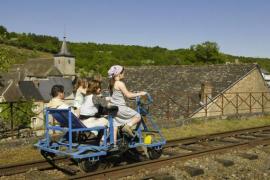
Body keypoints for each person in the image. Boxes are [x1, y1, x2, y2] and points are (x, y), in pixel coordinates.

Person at [108, 65, 146, 143]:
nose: (124, 74)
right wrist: (140, 93)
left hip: (113, 108)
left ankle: (113, 144)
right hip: (120, 108)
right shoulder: (120, 83)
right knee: (138, 116)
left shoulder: (112, 83)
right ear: (119, 74)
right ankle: (127, 126)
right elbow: (128, 95)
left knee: (115, 125)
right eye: (123, 72)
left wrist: (134, 94)